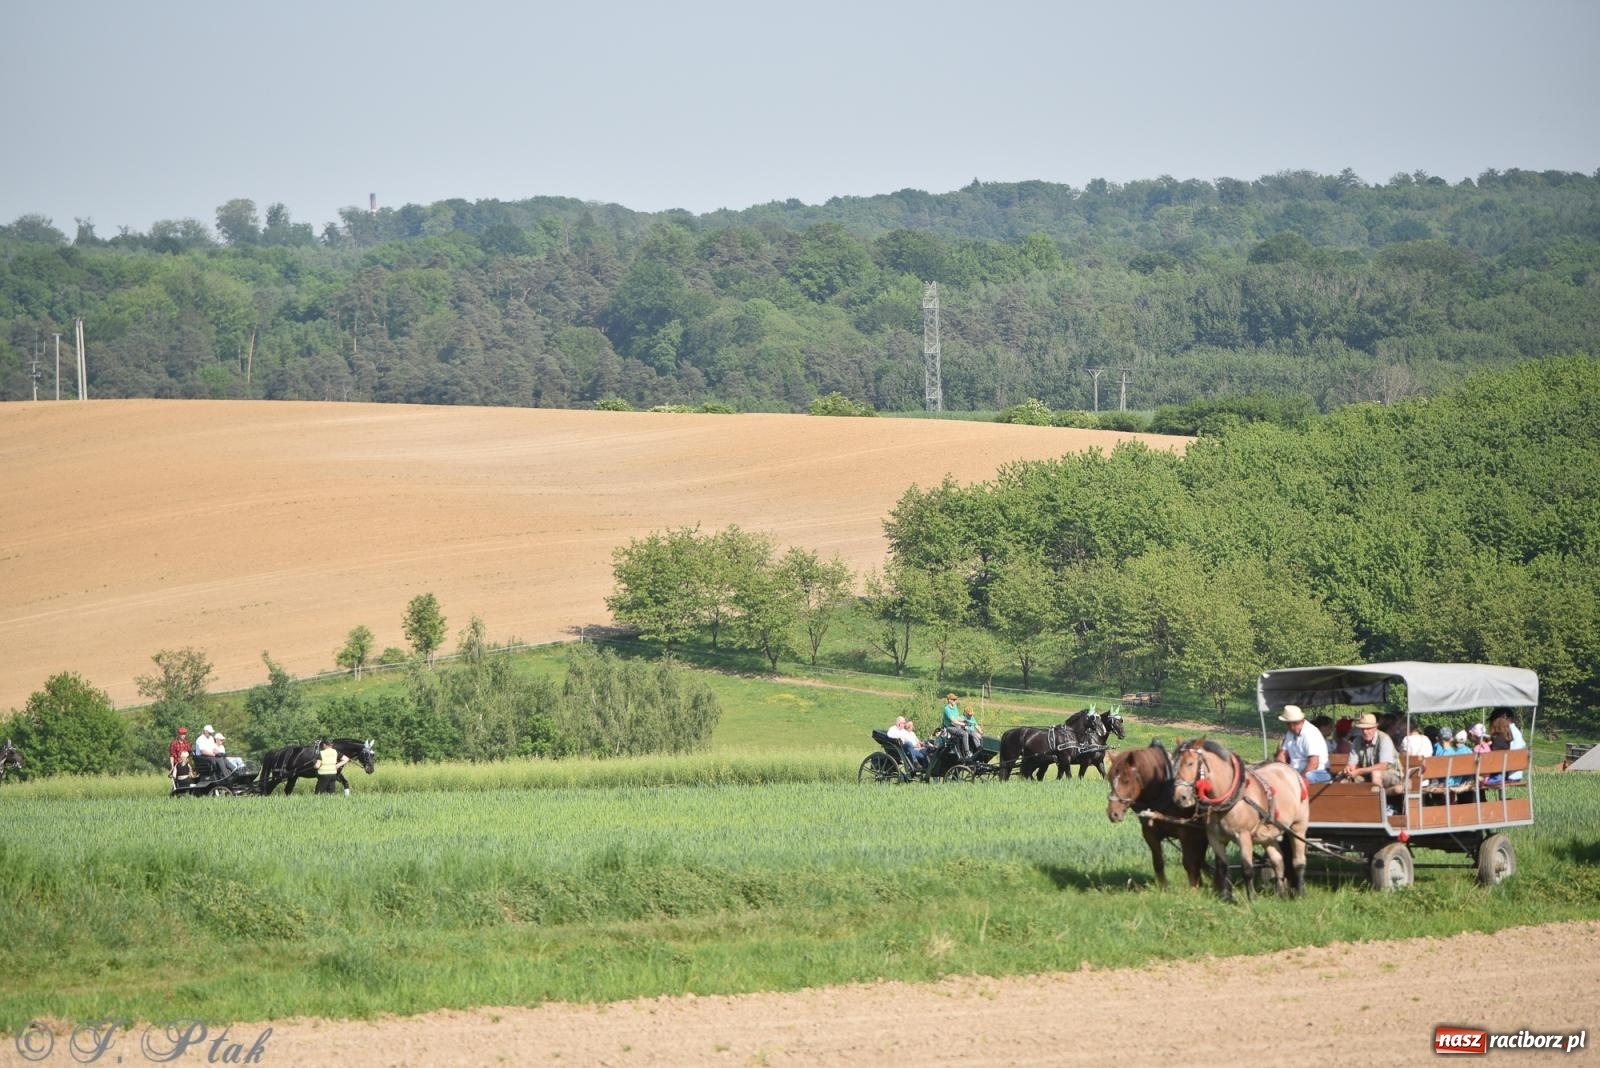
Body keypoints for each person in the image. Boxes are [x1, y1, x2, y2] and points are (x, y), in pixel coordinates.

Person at [1342, 712, 1402, 795]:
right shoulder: (1357, 741)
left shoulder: (1384, 739)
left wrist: (1359, 771)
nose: (1365, 732)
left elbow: (1383, 766)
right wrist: (1349, 768)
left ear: (1375, 728)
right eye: (1363, 729)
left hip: (1392, 774)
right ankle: (1348, 805)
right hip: (1367, 775)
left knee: (1376, 774)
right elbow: (1352, 763)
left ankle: (1379, 806)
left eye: (1368, 728)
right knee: (1343, 779)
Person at [1274, 705, 1330, 783]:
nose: (1287, 726)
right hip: (1297, 772)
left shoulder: (1310, 733)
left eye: (1287, 723)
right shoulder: (1290, 733)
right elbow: (1282, 755)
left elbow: (1314, 763)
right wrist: (1279, 768)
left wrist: (1298, 779)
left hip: (1319, 772)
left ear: (1291, 724)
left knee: (1308, 776)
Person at [942, 694, 978, 760]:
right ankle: (967, 753)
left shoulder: (955, 707)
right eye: (954, 699)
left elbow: (957, 718)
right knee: (964, 733)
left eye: (955, 699)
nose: (955, 701)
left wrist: (965, 721)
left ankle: (976, 748)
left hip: (956, 726)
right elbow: (954, 721)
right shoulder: (946, 709)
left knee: (971, 732)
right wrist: (964, 724)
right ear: (949, 700)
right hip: (950, 727)